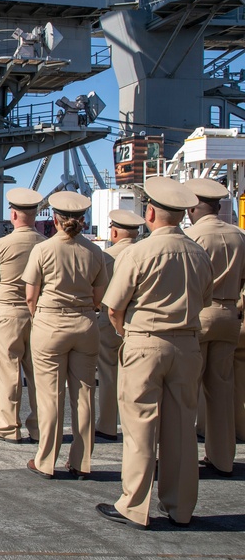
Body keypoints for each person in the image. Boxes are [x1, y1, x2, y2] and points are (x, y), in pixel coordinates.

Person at [97, 177, 212, 529]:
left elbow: (114, 307)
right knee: (181, 429)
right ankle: (180, 507)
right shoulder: (198, 252)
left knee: (140, 428)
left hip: (146, 341)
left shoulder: (138, 252)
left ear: (149, 212)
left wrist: (125, 333)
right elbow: (205, 299)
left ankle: (134, 505)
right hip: (188, 344)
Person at [22, 191, 106, 480]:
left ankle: (46, 460)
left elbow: (30, 296)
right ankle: (82, 461)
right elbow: (99, 295)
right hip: (85, 321)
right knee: (84, 395)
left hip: (50, 321)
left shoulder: (43, 250)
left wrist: (41, 317)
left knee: (50, 397)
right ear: (82, 220)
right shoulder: (94, 251)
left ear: (54, 219)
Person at [183, 177, 245, 477]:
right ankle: (222, 459)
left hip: (199, 314)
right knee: (222, 390)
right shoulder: (239, 235)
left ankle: (181, 457)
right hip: (230, 313)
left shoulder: (193, 237)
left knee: (186, 391)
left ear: (193, 206)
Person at [0, 188, 45, 445]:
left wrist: (4, 302)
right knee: (40, 375)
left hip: (8, 312)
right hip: (40, 314)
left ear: (14, 214)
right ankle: (41, 427)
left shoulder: (0, 245)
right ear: (36, 214)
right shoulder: (46, 243)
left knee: (8, 372)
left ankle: (8, 427)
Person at [95, 209, 144, 441]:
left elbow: (97, 292)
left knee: (108, 372)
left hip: (110, 316)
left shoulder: (106, 256)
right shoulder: (146, 251)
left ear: (114, 231)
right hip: (139, 320)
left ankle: (107, 424)